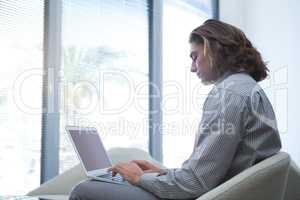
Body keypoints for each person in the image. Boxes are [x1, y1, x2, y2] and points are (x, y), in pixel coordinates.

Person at [69, 19, 281, 200]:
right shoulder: (246, 88)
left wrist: (139, 177)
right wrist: (162, 173)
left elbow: (195, 183)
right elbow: (211, 174)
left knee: (84, 190)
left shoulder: (229, 94)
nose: (192, 67)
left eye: (194, 56)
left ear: (213, 49)